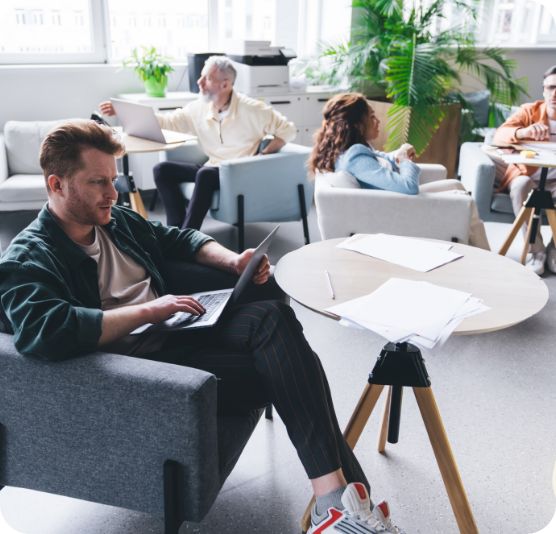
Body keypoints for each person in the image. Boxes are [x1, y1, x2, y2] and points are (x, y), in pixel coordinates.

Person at [0, 120, 405, 534]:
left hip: (175, 335)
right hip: (145, 374)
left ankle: (335, 504)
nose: (113, 192)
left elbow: (177, 238)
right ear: (57, 184)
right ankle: (345, 506)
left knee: (275, 318)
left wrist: (232, 261)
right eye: (97, 182)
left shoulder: (115, 221)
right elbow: (45, 330)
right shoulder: (29, 256)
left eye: (113, 179)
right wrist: (148, 311)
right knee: (297, 373)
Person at [99, 55, 296, 231]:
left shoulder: (254, 110)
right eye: (201, 76)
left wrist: (264, 154)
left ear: (225, 85)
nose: (199, 82)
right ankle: (175, 230)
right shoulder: (199, 107)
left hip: (238, 172)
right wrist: (124, 111)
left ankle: (188, 235)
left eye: (207, 78)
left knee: (205, 173)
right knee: (162, 170)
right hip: (213, 167)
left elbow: (288, 130)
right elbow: (169, 121)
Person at [308, 92, 490, 251]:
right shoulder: (356, 157)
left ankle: (481, 251)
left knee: (456, 185)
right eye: (372, 117)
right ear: (357, 124)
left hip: (388, 201)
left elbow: (377, 157)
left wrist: (397, 154)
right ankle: (486, 256)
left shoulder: (349, 149)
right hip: (391, 208)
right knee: (464, 200)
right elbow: (409, 186)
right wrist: (404, 161)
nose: (378, 121)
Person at [492, 65, 556, 275]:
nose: (555, 94)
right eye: (551, 88)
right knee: (520, 186)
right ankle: (536, 251)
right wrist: (523, 132)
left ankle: (554, 249)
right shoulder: (530, 111)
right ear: (544, 90)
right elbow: (499, 135)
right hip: (527, 174)